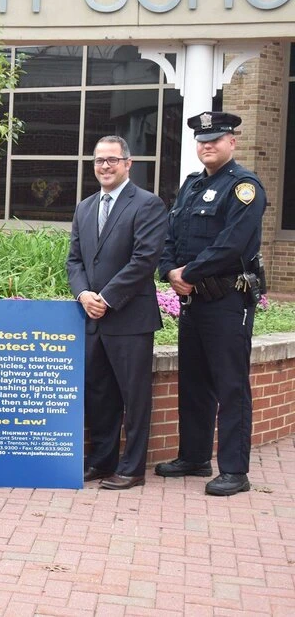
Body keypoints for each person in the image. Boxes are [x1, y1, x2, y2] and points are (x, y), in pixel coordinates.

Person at [156, 111, 267, 497]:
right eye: (202, 141)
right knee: (194, 380)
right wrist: (169, 269)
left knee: (230, 384)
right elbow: (171, 235)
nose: (207, 146)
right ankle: (194, 456)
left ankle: (235, 471)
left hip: (227, 302)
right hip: (194, 303)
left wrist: (188, 273)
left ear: (232, 142)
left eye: (216, 139)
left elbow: (232, 244)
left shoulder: (244, 187)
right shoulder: (189, 186)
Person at [67, 136, 167, 490]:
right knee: (99, 395)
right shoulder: (85, 207)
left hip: (128, 319)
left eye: (112, 160)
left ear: (128, 163)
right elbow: (75, 260)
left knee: (133, 397)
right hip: (93, 319)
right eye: (98, 160)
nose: (104, 166)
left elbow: (144, 261)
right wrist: (82, 294)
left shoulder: (147, 205)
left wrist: (105, 298)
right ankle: (102, 462)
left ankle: (132, 469)